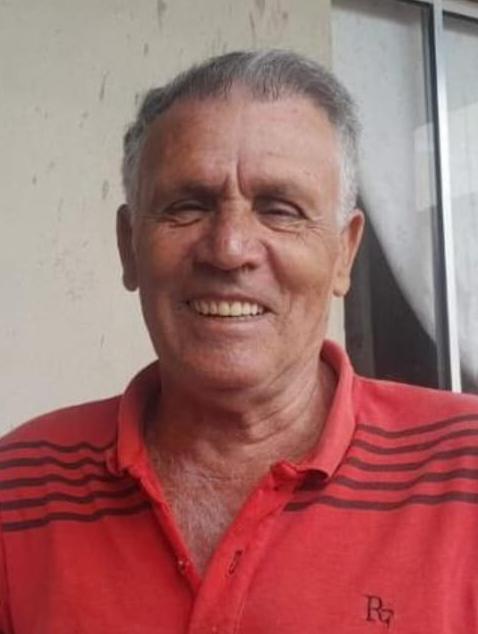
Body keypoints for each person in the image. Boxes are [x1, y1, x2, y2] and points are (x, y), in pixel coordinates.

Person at [1, 50, 478, 634]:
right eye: (187, 207)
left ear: (344, 253)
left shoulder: (466, 470)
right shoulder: (18, 486)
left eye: (280, 209)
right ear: (129, 246)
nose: (228, 249)